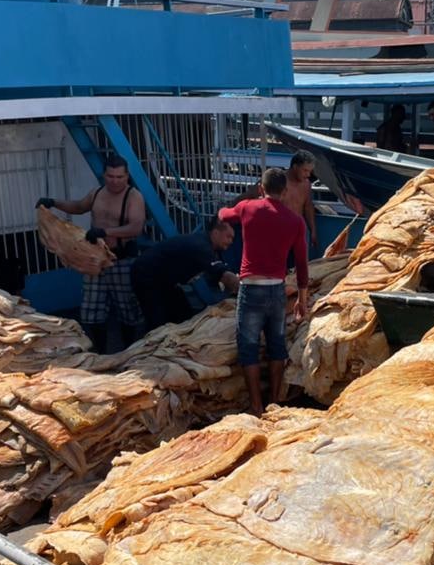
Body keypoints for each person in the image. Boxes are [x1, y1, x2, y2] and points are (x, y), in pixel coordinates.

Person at [218, 168, 309, 417]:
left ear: (261, 188)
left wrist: (237, 202)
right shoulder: (295, 222)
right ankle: (274, 404)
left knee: (248, 347)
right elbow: (302, 264)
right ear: (285, 191)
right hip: (277, 291)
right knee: (276, 345)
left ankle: (256, 406)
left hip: (251, 290)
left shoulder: (248, 208)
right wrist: (302, 300)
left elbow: (224, 214)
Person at [38, 155, 147, 351]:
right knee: (91, 310)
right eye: (111, 176)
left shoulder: (133, 197)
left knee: (127, 309)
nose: (115, 181)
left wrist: (106, 232)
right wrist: (53, 202)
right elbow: (79, 207)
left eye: (120, 177)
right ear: (104, 175)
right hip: (94, 261)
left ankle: (130, 351)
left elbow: (136, 228)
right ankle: (100, 352)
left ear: (127, 176)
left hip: (121, 260)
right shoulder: (97, 193)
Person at [131, 218, 239, 332]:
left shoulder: (207, 245)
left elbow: (222, 271)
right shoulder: (201, 246)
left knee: (184, 313)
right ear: (216, 233)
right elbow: (225, 275)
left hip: (165, 279)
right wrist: (245, 291)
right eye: (228, 237)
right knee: (157, 320)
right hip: (147, 275)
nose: (231, 241)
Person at [283, 150, 319, 256]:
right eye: (305, 170)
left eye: (310, 171)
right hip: (280, 230)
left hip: (299, 230)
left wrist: (313, 230)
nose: (308, 175)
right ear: (295, 167)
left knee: (301, 261)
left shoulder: (306, 184)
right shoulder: (278, 181)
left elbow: (308, 207)